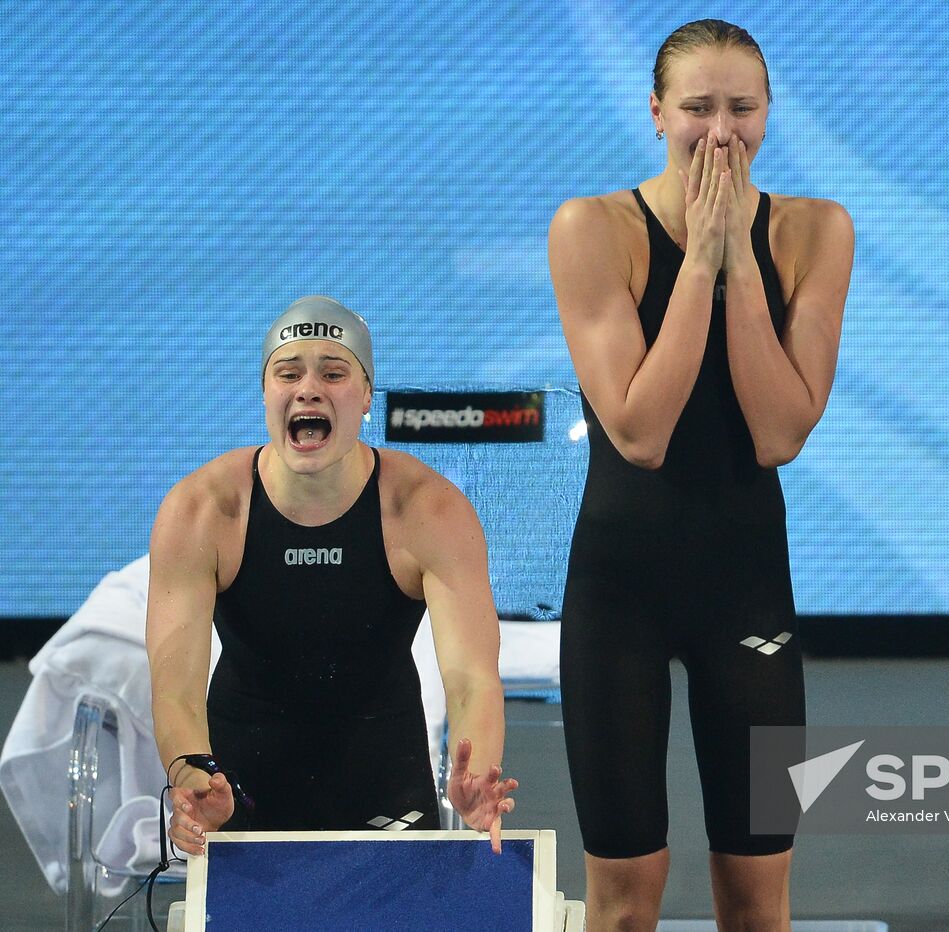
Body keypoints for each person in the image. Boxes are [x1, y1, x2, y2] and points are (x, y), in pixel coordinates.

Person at [547, 19, 853, 930]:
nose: (720, 132)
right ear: (655, 113)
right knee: (623, 900)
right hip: (620, 595)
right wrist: (700, 259)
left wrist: (740, 265)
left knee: (759, 901)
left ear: (768, 115)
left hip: (746, 592)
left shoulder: (816, 231)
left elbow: (778, 432)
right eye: (697, 108)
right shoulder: (590, 228)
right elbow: (640, 431)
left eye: (741, 108)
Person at [147, 296, 517, 856]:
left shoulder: (427, 509)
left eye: (334, 372)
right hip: (239, 785)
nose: (308, 388)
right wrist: (194, 777)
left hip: (384, 779)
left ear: (367, 395)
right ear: (266, 393)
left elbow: (472, 677)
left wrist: (476, 776)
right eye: (288, 372)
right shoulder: (202, 508)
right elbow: (175, 690)